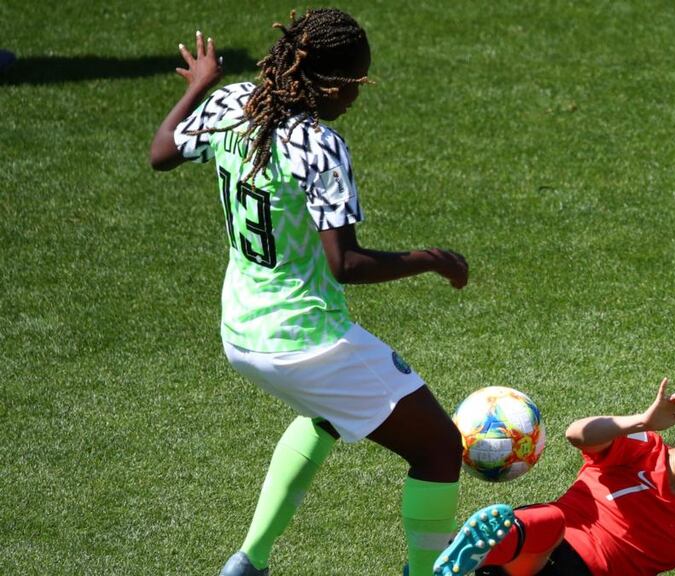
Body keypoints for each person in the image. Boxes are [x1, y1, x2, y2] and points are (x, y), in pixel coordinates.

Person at [149, 9, 469, 576]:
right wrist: (429, 260)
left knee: (324, 418)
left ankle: (249, 561)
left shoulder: (234, 104)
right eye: (353, 85)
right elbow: (345, 263)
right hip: (303, 338)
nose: (354, 98)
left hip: (241, 331)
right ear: (328, 82)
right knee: (440, 448)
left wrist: (201, 87)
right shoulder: (318, 144)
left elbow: (162, 153)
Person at [434, 379, 675, 576]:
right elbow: (577, 433)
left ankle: (456, 554)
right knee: (552, 520)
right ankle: (475, 550)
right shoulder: (642, 445)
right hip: (537, 550)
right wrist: (641, 420)